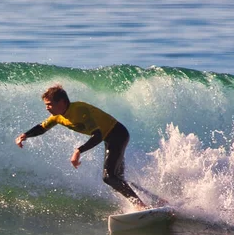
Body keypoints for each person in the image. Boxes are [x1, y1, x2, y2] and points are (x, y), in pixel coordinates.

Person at [15, 85, 147, 209]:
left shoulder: (79, 110)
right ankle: (152, 199)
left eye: (49, 104)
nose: (47, 108)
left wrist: (78, 151)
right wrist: (25, 135)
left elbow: (98, 135)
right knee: (116, 179)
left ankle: (140, 205)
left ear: (61, 102)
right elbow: (42, 127)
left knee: (109, 177)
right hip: (109, 137)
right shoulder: (57, 117)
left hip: (117, 134)